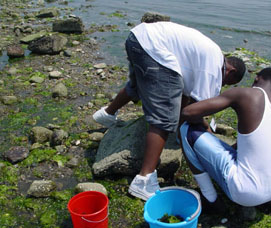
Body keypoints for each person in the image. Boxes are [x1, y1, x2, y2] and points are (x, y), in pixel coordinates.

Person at [92, 21, 246, 201]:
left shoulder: (210, 54)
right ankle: (143, 180)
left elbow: (185, 98)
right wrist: (207, 132)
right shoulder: (214, 70)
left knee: (138, 85)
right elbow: (194, 112)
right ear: (231, 71)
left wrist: (183, 119)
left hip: (139, 38)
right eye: (228, 82)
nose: (222, 86)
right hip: (156, 49)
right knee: (164, 118)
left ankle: (107, 114)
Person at [179, 67, 271, 211]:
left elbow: (188, 112)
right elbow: (261, 140)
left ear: (257, 78)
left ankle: (211, 199)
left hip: (246, 193)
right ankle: (268, 200)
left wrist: (203, 124)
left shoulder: (245, 94)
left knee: (186, 130)